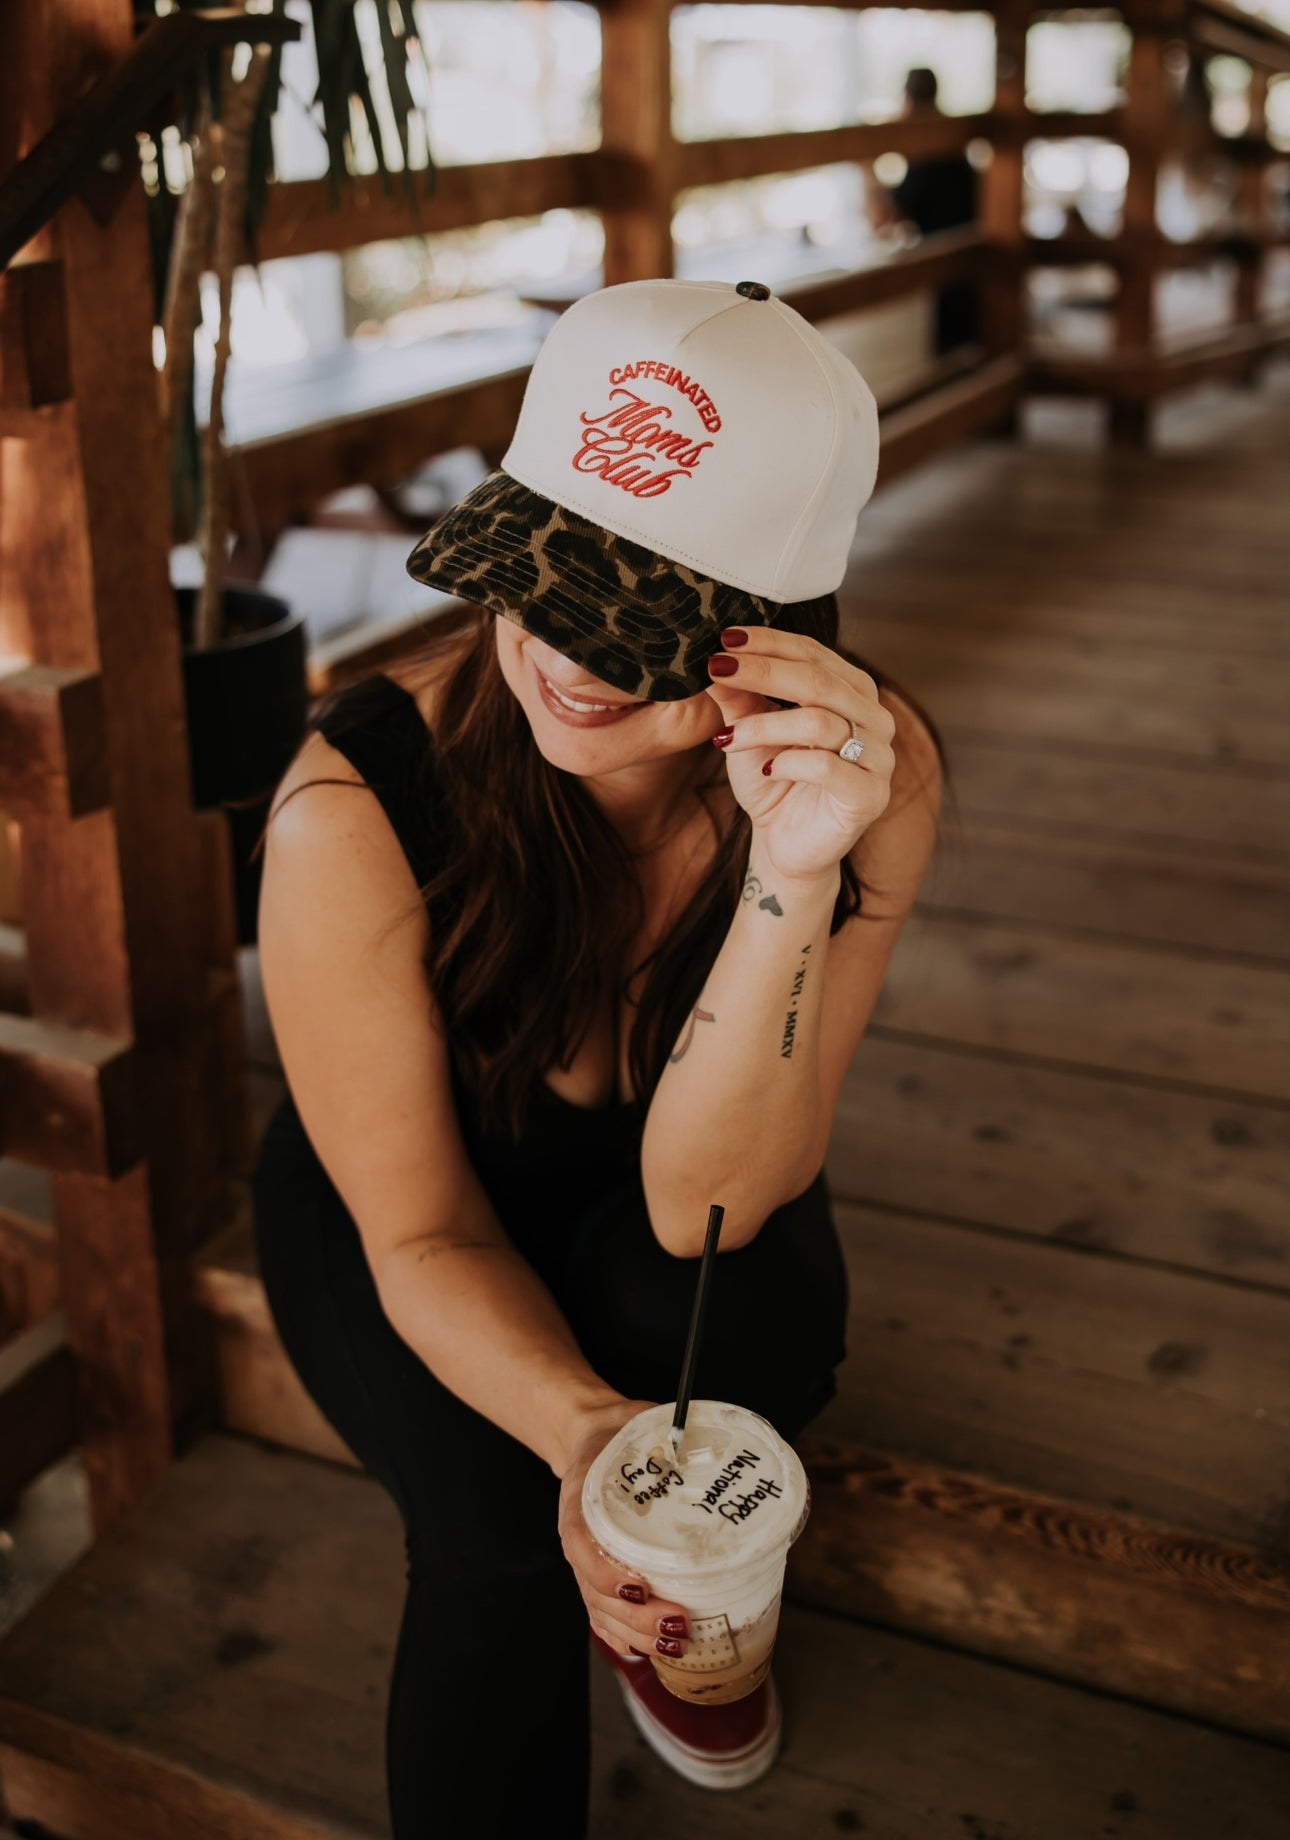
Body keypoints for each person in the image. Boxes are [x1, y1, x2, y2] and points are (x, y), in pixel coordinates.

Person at [251, 276, 946, 1839]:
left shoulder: (863, 783)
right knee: (501, 1529)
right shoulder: (349, 805)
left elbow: (714, 1203)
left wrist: (791, 872)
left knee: (739, 1333)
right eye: (540, 576)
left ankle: (673, 1638)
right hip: (403, 1204)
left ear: (780, 636)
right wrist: (585, 1443)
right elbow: (418, 1229)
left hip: (683, 1185)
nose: (566, 655)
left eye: (634, 616)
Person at [869, 66, 979, 354]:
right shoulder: (952, 138)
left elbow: (884, 222)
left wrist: (869, 165)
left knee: (952, 344)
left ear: (907, 99)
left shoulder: (928, 145)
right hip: (969, 255)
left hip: (950, 264)